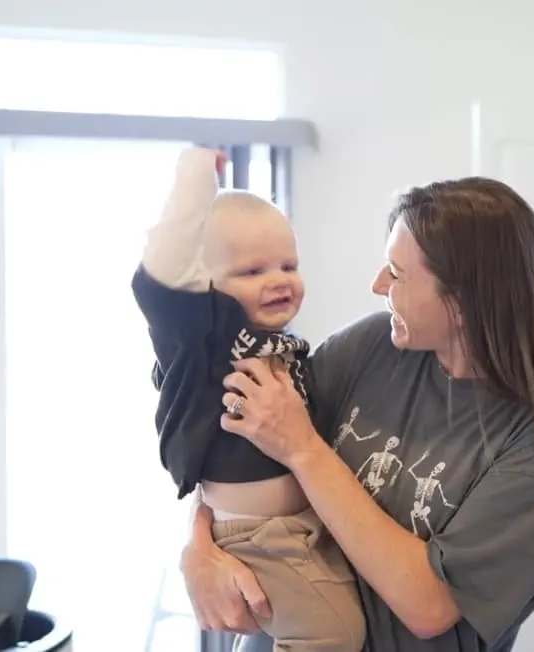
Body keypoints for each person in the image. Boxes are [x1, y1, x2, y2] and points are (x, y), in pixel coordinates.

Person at [180, 177, 534, 652]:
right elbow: (242, 448)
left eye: (396, 273)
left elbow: (429, 606)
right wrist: (197, 545)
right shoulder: (373, 345)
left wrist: (304, 449)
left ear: (463, 300)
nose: (378, 285)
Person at [132, 147, 364, 652]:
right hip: (253, 537)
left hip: (298, 529)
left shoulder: (285, 343)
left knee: (333, 618)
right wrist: (195, 177)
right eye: (252, 271)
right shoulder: (202, 339)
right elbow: (160, 275)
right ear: (206, 287)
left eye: (288, 264)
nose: (278, 279)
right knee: (336, 634)